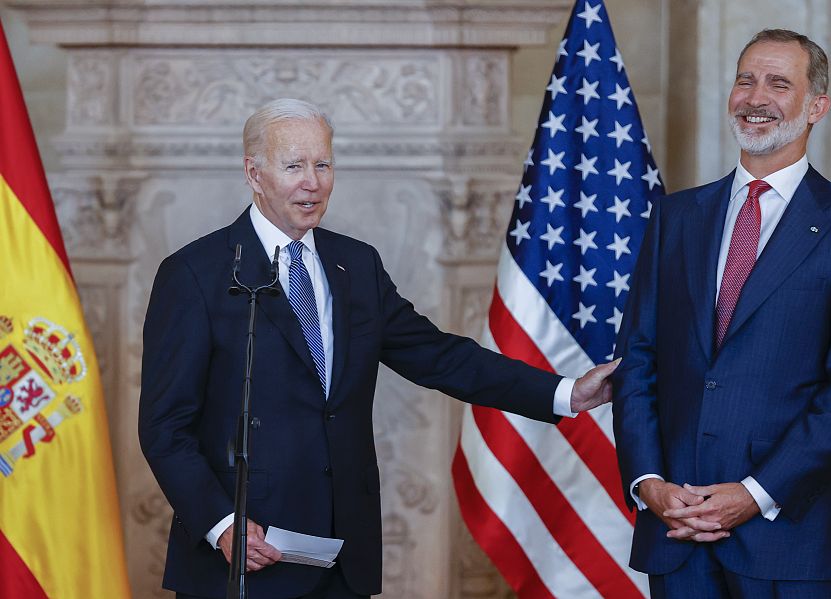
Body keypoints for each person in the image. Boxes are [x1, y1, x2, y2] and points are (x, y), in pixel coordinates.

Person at [138, 98, 617, 599]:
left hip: (343, 559)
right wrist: (220, 523)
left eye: (323, 164)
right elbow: (165, 426)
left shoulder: (356, 265)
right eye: (294, 166)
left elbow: (439, 355)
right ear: (254, 174)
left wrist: (564, 393)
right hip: (245, 555)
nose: (313, 182)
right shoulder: (196, 274)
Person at [612, 29, 831, 598]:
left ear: (816, 106)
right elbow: (638, 359)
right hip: (678, 534)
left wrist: (754, 493)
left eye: (778, 83)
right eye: (746, 79)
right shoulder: (675, 218)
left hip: (790, 539)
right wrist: (649, 484)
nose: (755, 96)